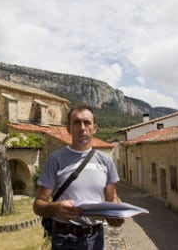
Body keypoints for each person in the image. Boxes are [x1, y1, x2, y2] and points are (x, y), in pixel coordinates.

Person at [33, 105, 124, 250]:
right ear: (68, 128)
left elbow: (112, 198)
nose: (82, 127)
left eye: (87, 122)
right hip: (65, 239)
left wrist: (116, 216)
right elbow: (38, 205)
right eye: (76, 122)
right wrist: (56, 208)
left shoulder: (106, 161)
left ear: (94, 128)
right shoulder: (55, 160)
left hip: (96, 238)